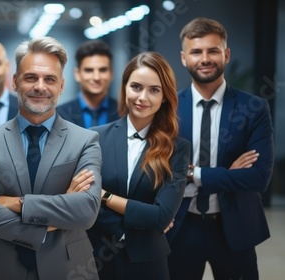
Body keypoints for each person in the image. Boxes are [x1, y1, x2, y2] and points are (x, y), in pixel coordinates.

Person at [0, 36, 103, 280]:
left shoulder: (86, 140)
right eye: (31, 77)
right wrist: (52, 217)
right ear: (15, 82)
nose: (40, 86)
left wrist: (18, 203)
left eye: (50, 79)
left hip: (68, 268)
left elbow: (86, 210)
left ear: (61, 85)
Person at [167, 17, 274, 279]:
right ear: (184, 58)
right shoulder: (168, 108)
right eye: (196, 52)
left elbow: (259, 178)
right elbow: (161, 170)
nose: (205, 58)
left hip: (235, 228)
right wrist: (229, 174)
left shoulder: (254, 108)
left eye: (213, 50)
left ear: (225, 54)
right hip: (180, 227)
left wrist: (195, 174)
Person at [87, 51, 190, 279]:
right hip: (95, 257)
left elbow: (162, 216)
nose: (142, 97)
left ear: (165, 96)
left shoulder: (178, 149)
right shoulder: (93, 138)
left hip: (148, 263)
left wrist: (104, 196)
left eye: (154, 90)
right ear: (124, 88)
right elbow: (84, 203)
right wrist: (136, 229)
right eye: (136, 87)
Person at [57, 40, 119, 128]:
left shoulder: (125, 112)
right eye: (89, 70)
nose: (96, 77)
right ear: (77, 74)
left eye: (103, 70)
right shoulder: (59, 115)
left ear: (111, 74)